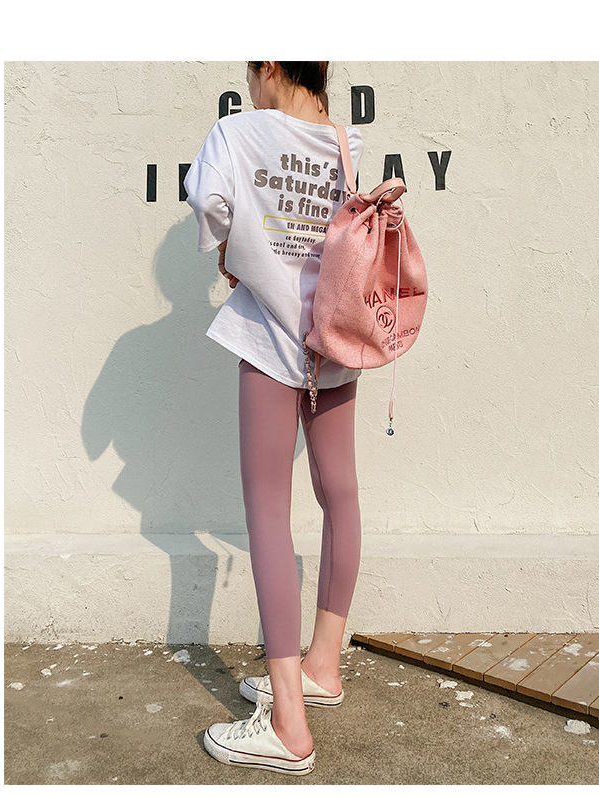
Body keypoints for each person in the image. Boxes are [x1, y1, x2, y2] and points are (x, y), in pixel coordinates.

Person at [183, 61, 366, 775]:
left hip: (269, 337)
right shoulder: (343, 141)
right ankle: (323, 666)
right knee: (340, 493)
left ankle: (289, 724)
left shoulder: (237, 133)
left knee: (267, 510)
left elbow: (209, 203)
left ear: (266, 66)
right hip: (335, 338)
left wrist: (235, 252)